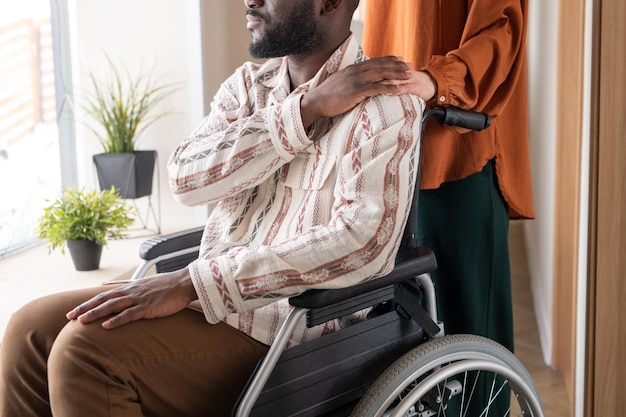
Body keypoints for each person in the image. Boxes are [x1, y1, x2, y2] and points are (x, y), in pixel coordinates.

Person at [0, 0, 425, 416]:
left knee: (84, 353)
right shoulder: (246, 88)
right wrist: (305, 111)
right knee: (29, 329)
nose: (250, 1)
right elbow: (185, 179)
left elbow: (362, 242)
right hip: (208, 305)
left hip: (293, 329)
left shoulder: (386, 104)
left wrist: (190, 283)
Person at [362, 1, 533, 414]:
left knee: (472, 339)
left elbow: (500, 30)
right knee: (403, 333)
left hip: (455, 146)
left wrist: (437, 79)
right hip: (390, 147)